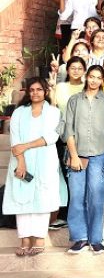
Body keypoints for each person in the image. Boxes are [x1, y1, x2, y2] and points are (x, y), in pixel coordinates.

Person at [3, 77, 66, 257]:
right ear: (28, 92)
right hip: (20, 159)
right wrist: (21, 162)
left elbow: (52, 137)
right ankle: (24, 239)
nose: (35, 93)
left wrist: (26, 145)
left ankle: (39, 238)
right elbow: (15, 140)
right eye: (32, 90)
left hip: (46, 159)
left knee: (43, 197)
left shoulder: (53, 112)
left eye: (39, 89)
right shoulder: (19, 112)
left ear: (45, 91)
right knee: (21, 198)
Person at [62, 65, 104, 254]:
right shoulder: (74, 100)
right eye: (92, 76)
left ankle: (96, 239)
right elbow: (68, 129)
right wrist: (74, 155)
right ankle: (80, 238)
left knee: (97, 198)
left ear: (103, 81)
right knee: (77, 197)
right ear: (86, 77)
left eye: (98, 78)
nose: (94, 80)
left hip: (100, 154)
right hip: (77, 153)